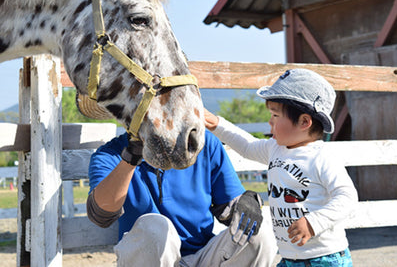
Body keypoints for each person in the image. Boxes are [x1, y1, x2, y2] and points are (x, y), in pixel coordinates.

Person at [205, 68, 358, 267]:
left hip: (324, 258)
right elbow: (247, 146)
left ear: (304, 121)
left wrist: (313, 223)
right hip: (289, 258)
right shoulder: (274, 149)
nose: (270, 121)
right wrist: (216, 124)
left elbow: (347, 197)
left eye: (275, 116)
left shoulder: (321, 157)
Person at [86, 129, 277, 267]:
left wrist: (249, 200)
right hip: (147, 259)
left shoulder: (204, 143)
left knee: (260, 234)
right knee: (156, 226)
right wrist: (131, 159)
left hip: (202, 256)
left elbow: (229, 209)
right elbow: (102, 214)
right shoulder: (109, 155)